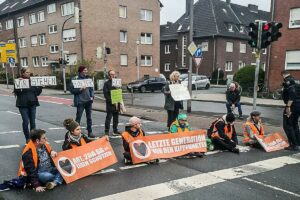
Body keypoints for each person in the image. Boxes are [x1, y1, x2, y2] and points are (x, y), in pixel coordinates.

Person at [14, 68, 43, 143]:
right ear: (23, 73)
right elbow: (17, 92)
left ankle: (33, 138)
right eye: (27, 72)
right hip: (23, 105)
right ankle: (27, 138)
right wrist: (19, 84)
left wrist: (41, 87)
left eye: (29, 72)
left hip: (32, 104)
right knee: (26, 121)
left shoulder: (33, 81)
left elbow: (37, 93)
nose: (29, 73)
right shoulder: (18, 81)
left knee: (33, 122)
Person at [70, 65, 95, 138]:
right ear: (81, 71)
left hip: (88, 101)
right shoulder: (75, 79)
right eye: (84, 70)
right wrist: (79, 90)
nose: (86, 71)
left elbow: (91, 89)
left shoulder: (88, 79)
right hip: (80, 102)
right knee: (78, 118)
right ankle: (75, 132)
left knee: (89, 117)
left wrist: (92, 96)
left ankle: (90, 132)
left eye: (86, 70)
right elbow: (71, 90)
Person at [281, 70, 300, 151]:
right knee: (295, 124)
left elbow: (292, 94)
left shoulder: (288, 81)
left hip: (292, 106)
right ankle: (298, 143)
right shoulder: (296, 81)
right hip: (298, 105)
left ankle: (293, 145)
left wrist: (288, 106)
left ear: (283, 75)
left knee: (288, 125)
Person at [103, 70, 121, 136]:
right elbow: (105, 94)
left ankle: (115, 130)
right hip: (110, 103)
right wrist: (111, 101)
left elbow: (119, 92)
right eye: (111, 74)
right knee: (109, 118)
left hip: (117, 103)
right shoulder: (106, 84)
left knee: (116, 118)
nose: (113, 75)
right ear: (109, 75)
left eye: (114, 74)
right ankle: (106, 131)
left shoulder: (117, 83)